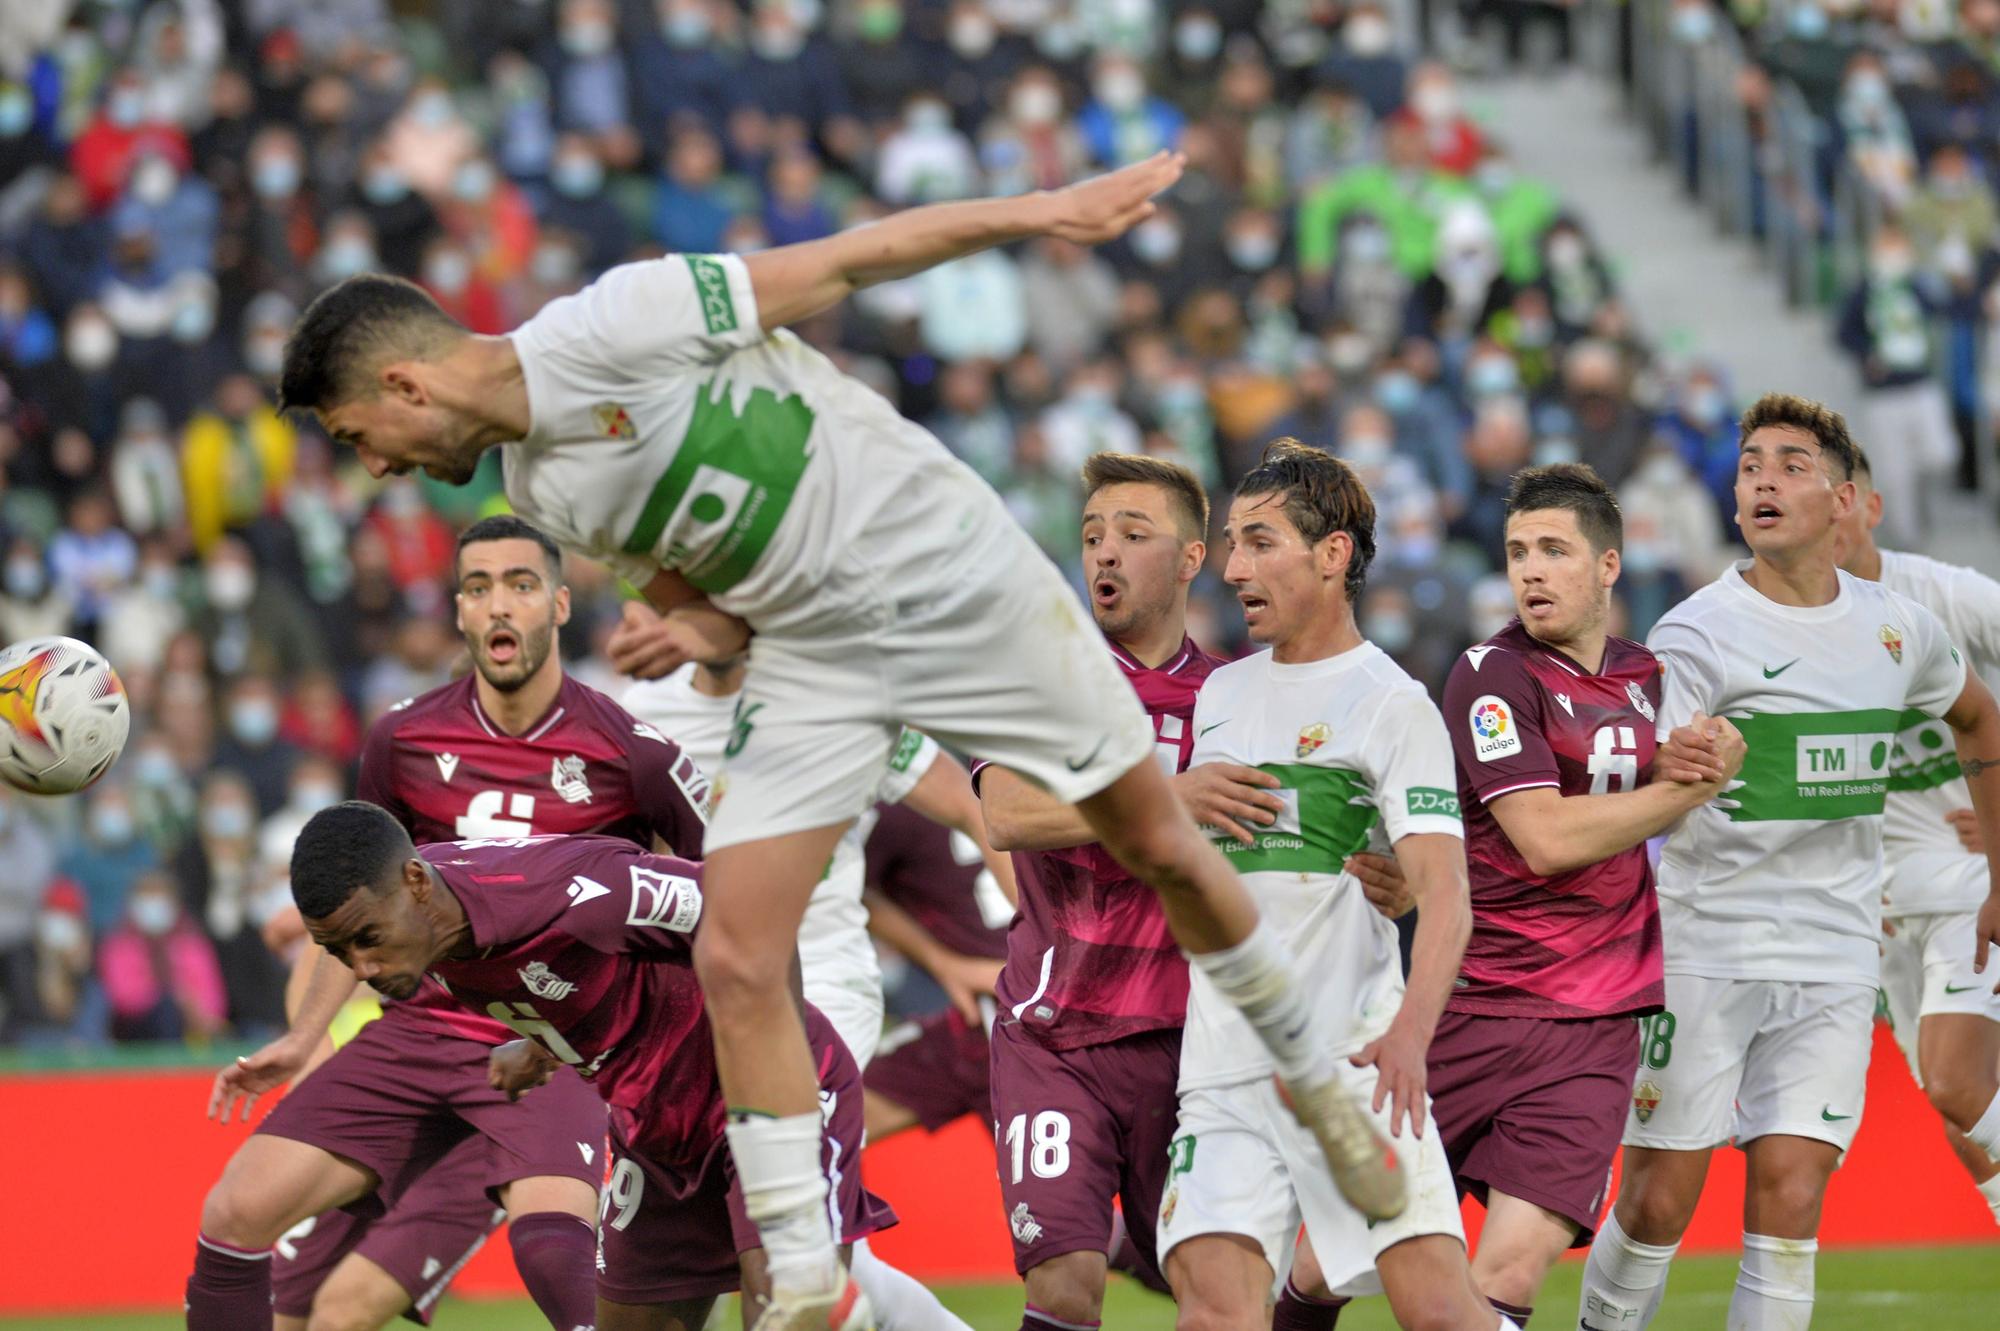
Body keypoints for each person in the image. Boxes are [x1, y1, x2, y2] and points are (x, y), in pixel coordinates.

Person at [277, 152, 1391, 1328]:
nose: (380, 466)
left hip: (946, 568)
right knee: (738, 948)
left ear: (402, 384)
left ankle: (1312, 1087)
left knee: (1159, 835)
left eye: (360, 436)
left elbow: (848, 260)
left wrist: (1044, 213)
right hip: (816, 651)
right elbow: (719, 608)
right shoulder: (543, 489)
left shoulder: (613, 323)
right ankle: (806, 1272)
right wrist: (683, 626)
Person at [186, 516, 711, 1331]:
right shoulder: (401, 738)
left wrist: (643, 1035)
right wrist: (302, 1037)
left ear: (561, 604)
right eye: (478, 587)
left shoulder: (632, 752)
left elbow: (713, 896)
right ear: (458, 611)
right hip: (419, 1029)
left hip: (552, 1036)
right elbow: (362, 913)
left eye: (521, 584)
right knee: (234, 1213)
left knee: (552, 1252)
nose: (499, 605)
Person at [1270, 464, 1744, 1329]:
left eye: (1554, 550)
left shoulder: (1649, 678)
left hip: (1594, 1029)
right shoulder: (1492, 676)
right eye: (1519, 550)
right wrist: (1685, 791)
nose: (1530, 569)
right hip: (1470, 1010)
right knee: (1325, 1263)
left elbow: (1688, 750)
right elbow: (1544, 836)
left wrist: (1707, 748)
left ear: (1609, 564)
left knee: (1510, 1273)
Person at [1579, 394, 2000, 1330]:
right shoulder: (1694, 632)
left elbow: (1978, 717)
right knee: (1655, 1202)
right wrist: (1675, 765)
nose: (1764, 479)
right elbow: (1640, 773)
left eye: (1791, 464)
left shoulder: (1901, 627)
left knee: (1794, 1191)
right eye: (1750, 466)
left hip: (1836, 951)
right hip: (1705, 941)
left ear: (1843, 498)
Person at [283, 807, 894, 1331]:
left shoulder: (577, 892)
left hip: (765, 1095)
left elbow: (748, 914)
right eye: (340, 952)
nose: (360, 966)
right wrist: (539, 1043)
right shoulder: (426, 921)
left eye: (366, 938)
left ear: (416, 882)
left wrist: (776, 1077)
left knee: (785, 1307)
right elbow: (577, 977)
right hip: (654, 1134)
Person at [1156, 440, 1506, 1331]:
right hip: (1227, 1068)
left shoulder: (1390, 703)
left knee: (1440, 1316)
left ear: (1334, 553)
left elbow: (1447, 895)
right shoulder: (1219, 695)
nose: (1234, 568)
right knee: (1213, 1317)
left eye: (1261, 542)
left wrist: (1409, 1039)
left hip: (1355, 1064)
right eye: (1233, 543)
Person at [622, 650, 1004, 1331]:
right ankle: (848, 1301)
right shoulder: (642, 712)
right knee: (762, 1237)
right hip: (693, 1000)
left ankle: (825, 1294)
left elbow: (975, 809)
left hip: (823, 985)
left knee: (768, 1228)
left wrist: (1032, 947)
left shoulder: (840, 695)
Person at [973, 452, 1249, 1328]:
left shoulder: (1237, 697)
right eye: (1092, 535)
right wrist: (1167, 800)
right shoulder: (1041, 674)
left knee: (1228, 1292)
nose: (1105, 554)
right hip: (1057, 1036)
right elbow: (1008, 812)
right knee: (1065, 1280)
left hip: (1195, 1049)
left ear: (1192, 558)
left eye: (1133, 534)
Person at [1835, 452, 2000, 1223]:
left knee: (1956, 1083)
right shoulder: (1772, 626)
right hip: (1878, 913)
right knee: (1960, 1123)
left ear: (1870, 505)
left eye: (1838, 499)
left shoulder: (1949, 598)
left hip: (1969, 879)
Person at [859, 799, 1012, 1147]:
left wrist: (944, 963)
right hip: (1010, 1003)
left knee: (827, 1110)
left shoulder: (894, 804)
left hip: (1001, 1017)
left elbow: (833, 889)